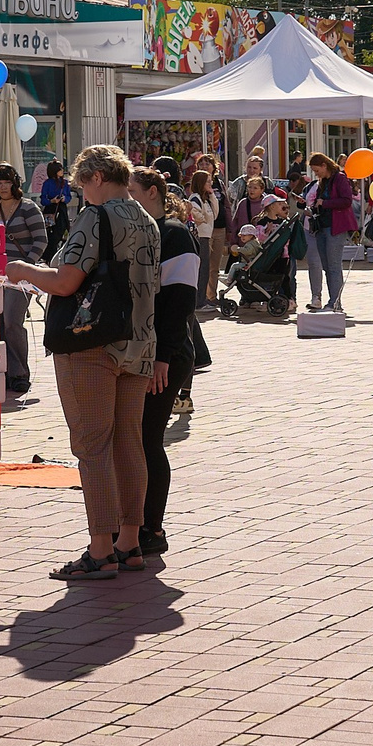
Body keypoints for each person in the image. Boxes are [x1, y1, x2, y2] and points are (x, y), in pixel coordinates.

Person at [6, 145, 159, 580]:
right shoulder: (145, 217)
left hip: (91, 344)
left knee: (92, 448)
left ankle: (100, 549)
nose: (79, 194)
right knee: (129, 443)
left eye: (80, 185)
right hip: (138, 342)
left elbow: (65, 280)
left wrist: (21, 269)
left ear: (94, 178)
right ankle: (130, 542)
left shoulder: (97, 215)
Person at [130, 168, 198, 564]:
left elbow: (180, 305)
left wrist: (163, 358)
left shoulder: (174, 234)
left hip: (165, 355)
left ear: (152, 192)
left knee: (147, 439)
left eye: (134, 192)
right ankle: (134, 524)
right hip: (139, 353)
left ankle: (152, 529)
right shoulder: (136, 231)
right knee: (134, 439)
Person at [0, 165, 48, 402]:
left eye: (7, 182)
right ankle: (3, 372)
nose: (3, 187)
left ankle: (20, 372)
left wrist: (25, 266)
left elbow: (41, 241)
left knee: (13, 322)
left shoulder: (28, 209)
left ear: (15, 184)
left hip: (21, 275)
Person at [298, 153, 357, 314]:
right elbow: (318, 202)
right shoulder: (322, 182)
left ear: (324, 165)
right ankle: (333, 301)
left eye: (317, 170)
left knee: (333, 266)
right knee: (326, 266)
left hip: (335, 227)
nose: (316, 174)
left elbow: (346, 200)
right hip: (322, 227)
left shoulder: (340, 178)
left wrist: (325, 203)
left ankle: (335, 302)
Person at [185, 170, 223, 310]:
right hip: (200, 237)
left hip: (207, 236)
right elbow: (197, 217)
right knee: (201, 270)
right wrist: (206, 221)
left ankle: (202, 298)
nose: (210, 183)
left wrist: (212, 194)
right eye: (207, 181)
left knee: (206, 269)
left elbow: (215, 213)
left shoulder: (205, 199)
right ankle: (199, 301)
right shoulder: (195, 198)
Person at [39, 158, 73, 250]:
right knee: (50, 233)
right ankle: (49, 255)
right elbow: (43, 199)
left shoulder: (65, 183)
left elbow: (69, 197)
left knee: (61, 231)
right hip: (50, 209)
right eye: (60, 169)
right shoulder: (47, 183)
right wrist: (51, 201)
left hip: (61, 210)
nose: (62, 171)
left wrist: (64, 199)